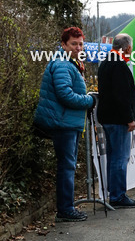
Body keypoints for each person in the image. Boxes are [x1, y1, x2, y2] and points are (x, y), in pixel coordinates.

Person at [34, 26, 95, 222]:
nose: (78, 48)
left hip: (67, 122)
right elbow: (65, 94)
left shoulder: (70, 63)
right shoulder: (62, 64)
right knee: (67, 166)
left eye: (80, 44)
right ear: (63, 44)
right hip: (64, 123)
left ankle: (66, 208)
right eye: (74, 44)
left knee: (67, 166)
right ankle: (66, 209)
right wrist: (90, 101)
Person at [96, 32, 135, 209]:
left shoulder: (105, 63)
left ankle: (113, 192)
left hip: (106, 117)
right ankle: (118, 195)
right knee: (120, 157)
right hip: (118, 119)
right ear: (128, 48)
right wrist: (129, 118)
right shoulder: (120, 65)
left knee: (113, 157)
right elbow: (121, 95)